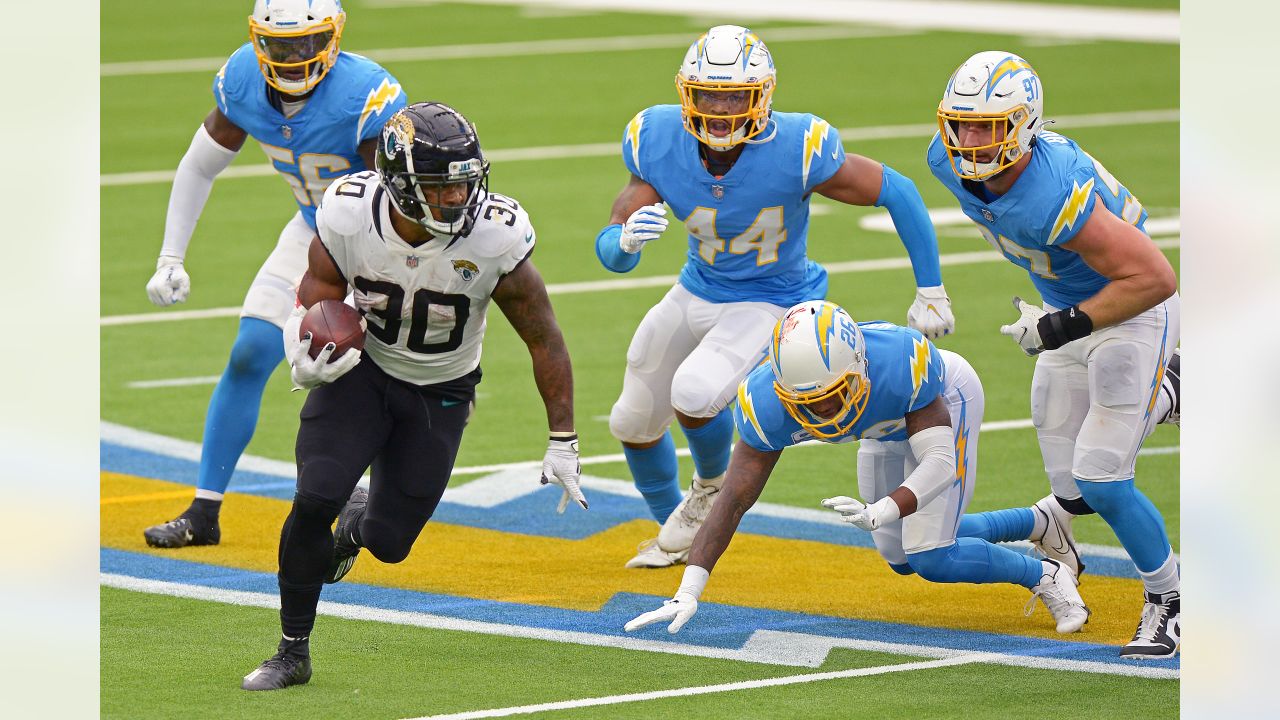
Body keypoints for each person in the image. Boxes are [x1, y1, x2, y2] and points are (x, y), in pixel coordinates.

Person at [240, 102, 587, 691]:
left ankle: (357, 526)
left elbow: (544, 337)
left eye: (464, 184)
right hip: (362, 372)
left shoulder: (495, 235)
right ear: (399, 182)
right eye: (440, 187)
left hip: (441, 388)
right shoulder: (350, 214)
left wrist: (563, 439)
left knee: (390, 543)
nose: (459, 199)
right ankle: (291, 650)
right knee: (314, 495)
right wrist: (302, 338)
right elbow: (318, 289)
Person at [595, 25, 953, 569]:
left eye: (734, 94)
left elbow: (895, 190)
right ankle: (682, 525)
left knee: (693, 393)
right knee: (631, 421)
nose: (719, 108)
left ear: (761, 95)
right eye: (707, 93)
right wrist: (622, 243)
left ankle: (710, 487)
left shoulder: (797, 147)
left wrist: (930, 286)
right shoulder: (656, 137)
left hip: (772, 300)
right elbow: (613, 248)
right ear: (685, 93)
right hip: (698, 286)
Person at [623, 300, 1089, 637]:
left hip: (944, 404)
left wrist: (885, 508)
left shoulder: (901, 364)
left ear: (859, 367)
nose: (822, 413)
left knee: (931, 554)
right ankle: (1038, 521)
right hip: (881, 429)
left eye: (830, 395)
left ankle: (1045, 574)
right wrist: (689, 589)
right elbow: (734, 500)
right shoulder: (765, 406)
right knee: (901, 556)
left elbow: (940, 463)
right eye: (806, 402)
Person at [929, 51, 1181, 658]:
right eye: (962, 124)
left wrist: (1062, 324)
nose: (970, 140)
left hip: (1130, 313)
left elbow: (1154, 277)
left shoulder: (1052, 191)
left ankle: (1170, 600)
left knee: (1103, 475)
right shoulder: (946, 161)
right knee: (1072, 487)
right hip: (1065, 311)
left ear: (1024, 125)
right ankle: (1058, 529)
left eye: (989, 127)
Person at [142, 0, 407, 549]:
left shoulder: (363, 96)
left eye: (306, 42)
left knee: (358, 365)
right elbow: (199, 165)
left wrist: (374, 278)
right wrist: (171, 255)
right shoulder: (240, 78)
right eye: (279, 43)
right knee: (248, 352)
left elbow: (397, 201)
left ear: (332, 38)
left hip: (374, 239)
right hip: (312, 228)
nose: (291, 56)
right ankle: (204, 511)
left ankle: (365, 497)